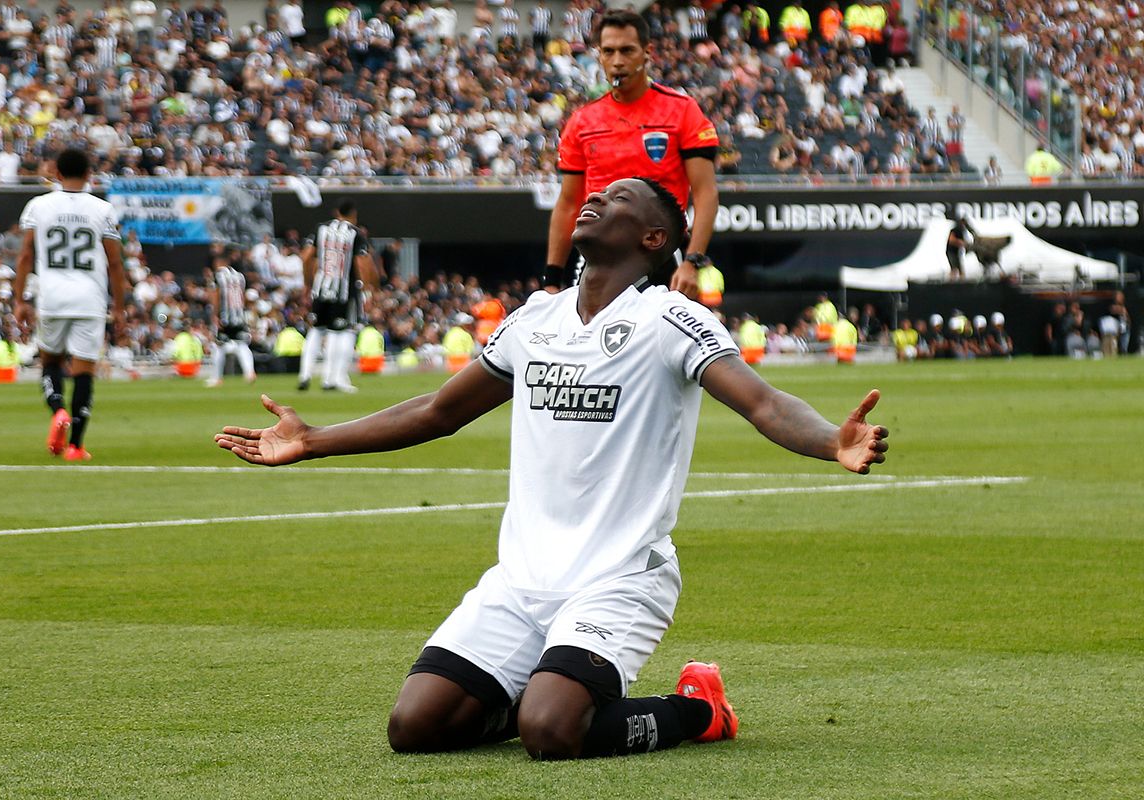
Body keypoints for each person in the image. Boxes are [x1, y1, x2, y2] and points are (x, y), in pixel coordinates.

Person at [215, 177, 889, 761]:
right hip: (522, 579)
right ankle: (537, 685)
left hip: (619, 578)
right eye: (594, 193)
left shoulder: (670, 319)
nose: (593, 198)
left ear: (655, 239)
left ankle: (698, 710)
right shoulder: (534, 319)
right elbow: (436, 411)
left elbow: (764, 403)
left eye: (618, 198)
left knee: (551, 732)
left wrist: (833, 441)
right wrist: (315, 439)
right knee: (415, 726)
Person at [546, 9, 719, 299]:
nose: (617, 61)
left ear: (646, 52)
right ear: (599, 55)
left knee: (661, 343)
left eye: (627, 50)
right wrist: (551, 278)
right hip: (597, 253)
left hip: (659, 251)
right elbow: (567, 204)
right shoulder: (582, 121)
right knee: (589, 341)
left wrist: (693, 261)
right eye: (609, 51)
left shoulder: (682, 111)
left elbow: (706, 194)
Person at [11, 147, 126, 462]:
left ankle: (58, 408)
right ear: (90, 175)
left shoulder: (39, 206)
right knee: (85, 371)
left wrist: (20, 299)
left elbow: (25, 256)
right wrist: (119, 307)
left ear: (56, 173)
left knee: (50, 361)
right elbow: (115, 264)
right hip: (90, 299)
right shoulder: (102, 210)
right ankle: (75, 446)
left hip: (52, 296)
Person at [297, 201, 379, 392]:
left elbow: (306, 256)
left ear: (336, 212)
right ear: (354, 214)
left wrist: (308, 282)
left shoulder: (321, 228)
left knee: (316, 331)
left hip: (321, 288)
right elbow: (362, 263)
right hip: (345, 291)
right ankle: (333, 378)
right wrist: (367, 289)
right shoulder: (355, 233)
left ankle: (305, 374)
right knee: (344, 332)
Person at [205, 259, 258, 387]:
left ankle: (217, 378)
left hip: (225, 317)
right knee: (242, 346)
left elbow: (216, 295)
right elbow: (242, 296)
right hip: (239, 316)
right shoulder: (239, 276)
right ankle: (250, 372)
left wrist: (215, 315)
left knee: (218, 347)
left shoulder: (218, 276)